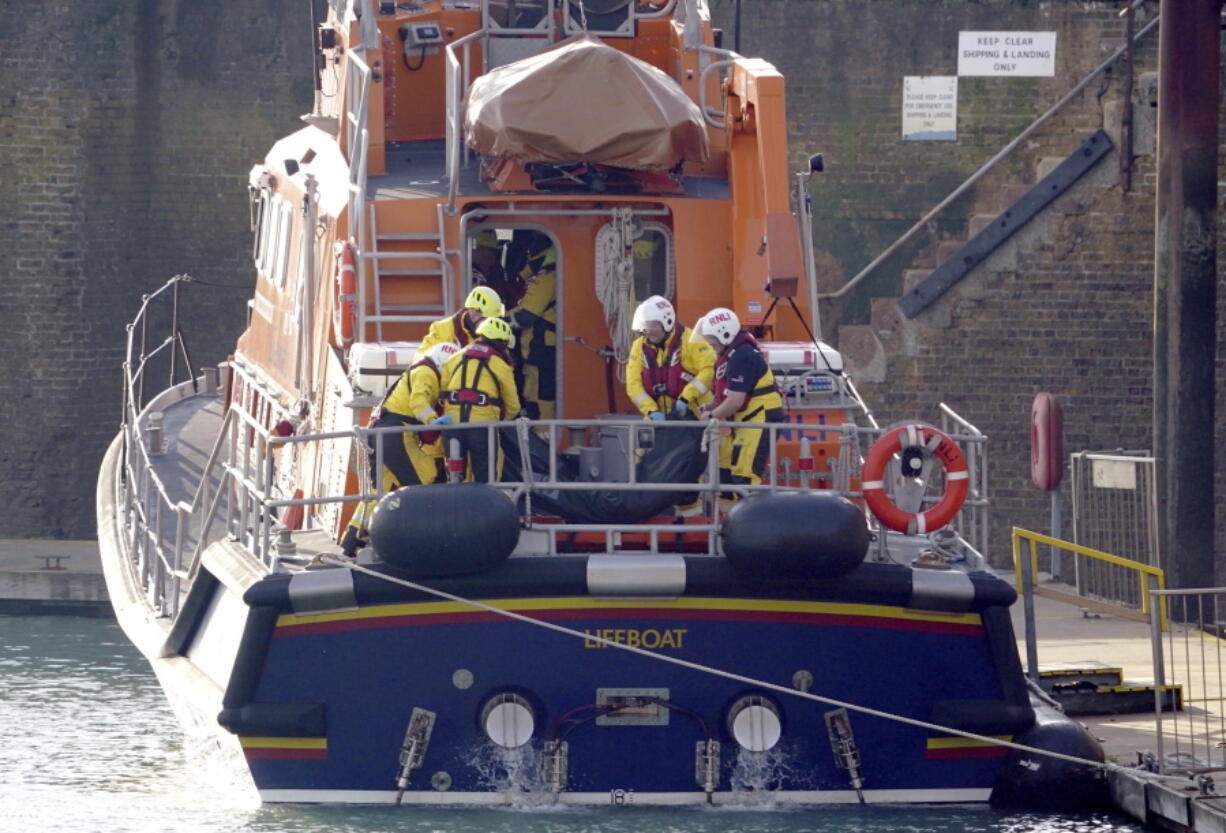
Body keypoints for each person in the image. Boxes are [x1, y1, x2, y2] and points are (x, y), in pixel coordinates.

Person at [341, 342, 460, 557]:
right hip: (397, 433)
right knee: (428, 480)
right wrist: (434, 421)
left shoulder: (417, 369)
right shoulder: (426, 373)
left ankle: (352, 540)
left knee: (380, 492)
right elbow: (418, 403)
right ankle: (426, 542)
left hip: (380, 433)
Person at [692, 307, 784, 496]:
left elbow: (734, 401)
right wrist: (711, 405)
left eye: (711, 340)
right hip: (749, 421)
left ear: (723, 334)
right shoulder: (732, 355)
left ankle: (753, 521)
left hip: (759, 419)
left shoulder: (742, 356)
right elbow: (728, 394)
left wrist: (711, 415)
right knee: (738, 475)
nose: (709, 345)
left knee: (746, 477)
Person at [440, 316, 522, 483]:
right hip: (483, 426)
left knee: (455, 474)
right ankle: (484, 507)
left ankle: (455, 506)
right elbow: (513, 405)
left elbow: (443, 393)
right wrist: (503, 421)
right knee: (487, 476)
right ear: (501, 342)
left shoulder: (454, 358)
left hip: (452, 425)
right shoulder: (499, 364)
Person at [625, 295, 714, 421]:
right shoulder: (639, 346)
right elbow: (633, 385)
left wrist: (686, 397)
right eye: (645, 326)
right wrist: (651, 410)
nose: (648, 331)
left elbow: (709, 370)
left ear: (667, 322)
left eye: (653, 325)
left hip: (695, 415)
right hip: (657, 419)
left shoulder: (692, 341)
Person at [508, 232, 556, 420]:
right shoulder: (547, 276)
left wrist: (495, 319)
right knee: (533, 393)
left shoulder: (546, 278)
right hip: (539, 348)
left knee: (540, 396)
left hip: (542, 349)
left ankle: (543, 439)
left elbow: (526, 315)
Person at [419, 286, 504, 352]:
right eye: (487, 320)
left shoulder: (496, 333)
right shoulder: (442, 329)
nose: (491, 324)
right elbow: (423, 361)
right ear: (473, 315)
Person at [471, 229, 524, 309]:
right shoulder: (469, 273)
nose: (489, 254)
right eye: (483, 249)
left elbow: (507, 292)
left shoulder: (496, 269)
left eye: (492, 250)